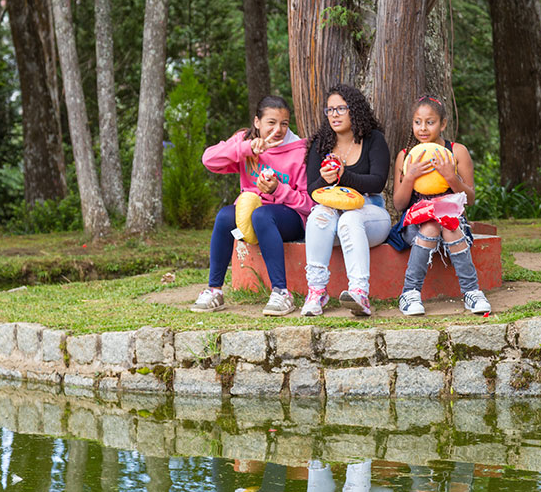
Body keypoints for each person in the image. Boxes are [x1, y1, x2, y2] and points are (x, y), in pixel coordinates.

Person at [192, 95, 314, 316]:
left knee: (262, 215)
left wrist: (277, 190)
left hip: (291, 218)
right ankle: (215, 290)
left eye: (284, 123)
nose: (278, 129)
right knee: (225, 216)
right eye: (271, 122)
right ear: (257, 122)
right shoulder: (246, 142)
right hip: (253, 216)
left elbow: (309, 204)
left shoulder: (300, 151)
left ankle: (281, 293)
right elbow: (209, 160)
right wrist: (246, 149)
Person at [391, 94, 491, 315]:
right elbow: (399, 204)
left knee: (449, 224)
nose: (423, 128)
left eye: (430, 122)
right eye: (417, 122)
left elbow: (471, 199)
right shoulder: (406, 155)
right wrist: (410, 177)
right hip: (416, 222)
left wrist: (451, 177)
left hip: (451, 219)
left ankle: (471, 292)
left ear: (443, 123)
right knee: (430, 226)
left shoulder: (457, 151)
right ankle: (409, 294)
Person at [302, 84, 391, 317]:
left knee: (350, 219)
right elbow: (312, 190)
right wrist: (324, 179)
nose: (334, 115)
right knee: (318, 215)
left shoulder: (374, 140)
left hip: (370, 212)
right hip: (331, 216)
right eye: (330, 110)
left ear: (355, 110)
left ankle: (359, 292)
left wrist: (345, 176)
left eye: (341, 108)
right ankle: (317, 291)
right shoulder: (320, 144)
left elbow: (378, 182)